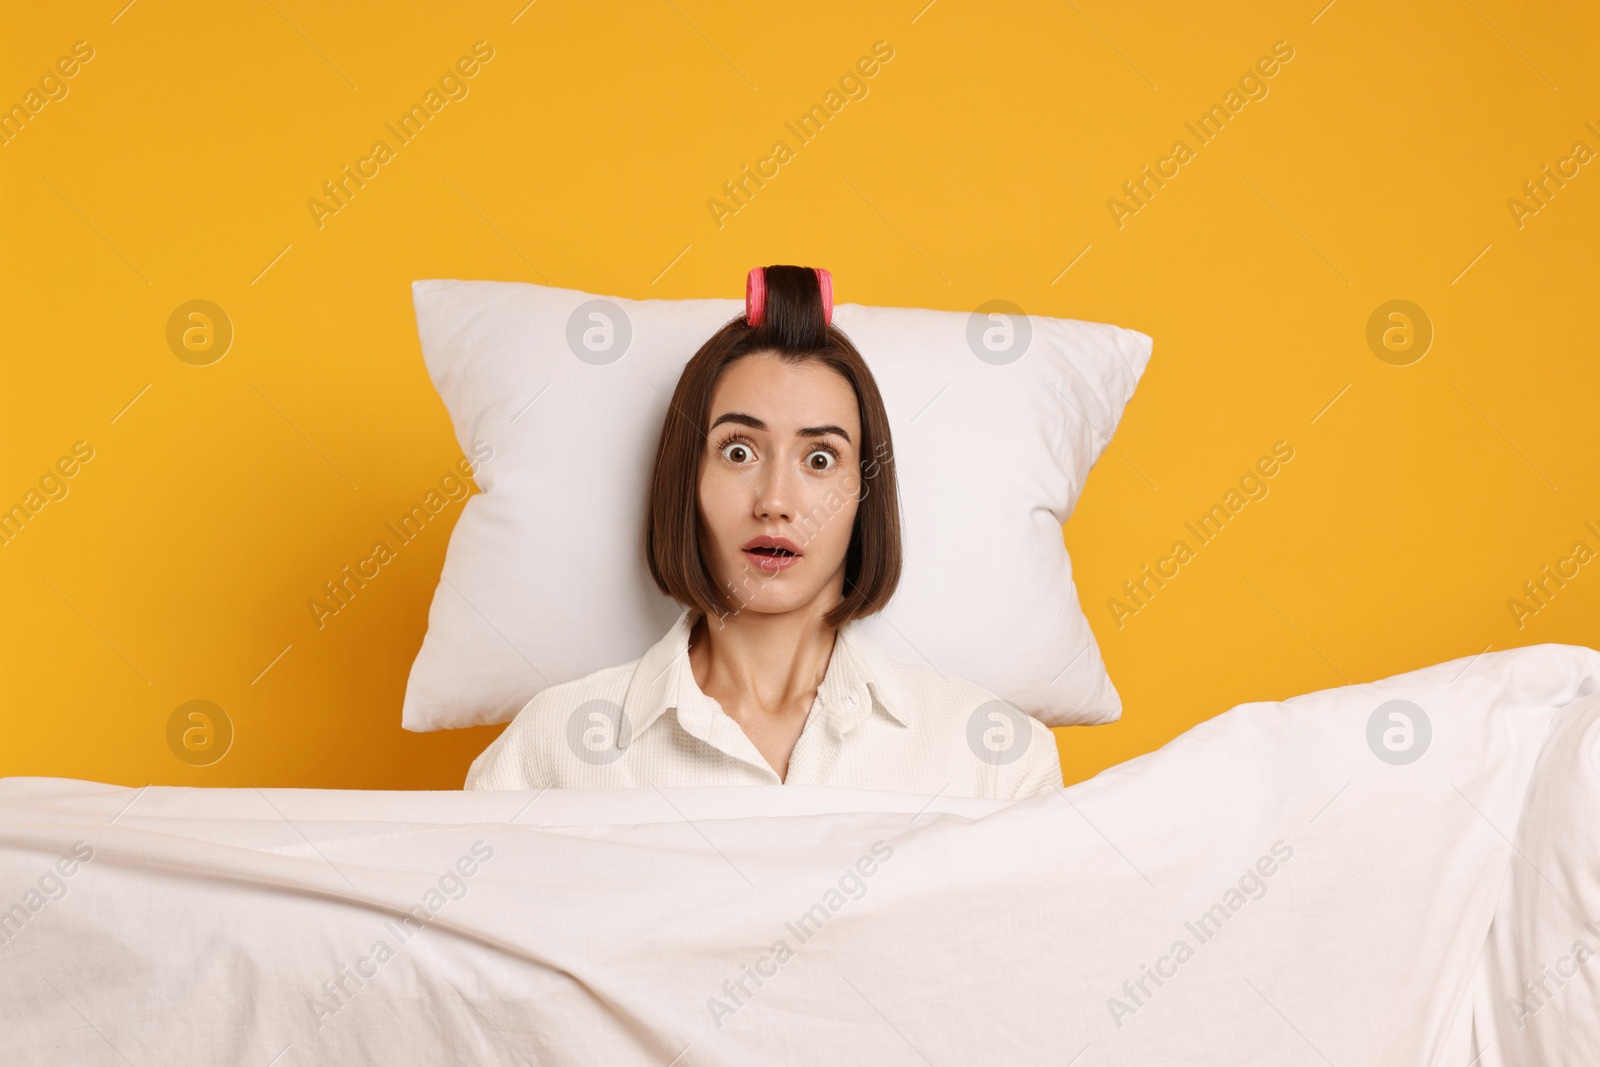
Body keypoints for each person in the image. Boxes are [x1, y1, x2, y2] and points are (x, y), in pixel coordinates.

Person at [465, 265, 1062, 799]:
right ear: (686, 480)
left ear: (865, 495)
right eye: (739, 450)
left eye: (820, 459)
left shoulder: (995, 765)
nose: (776, 503)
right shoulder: (551, 755)